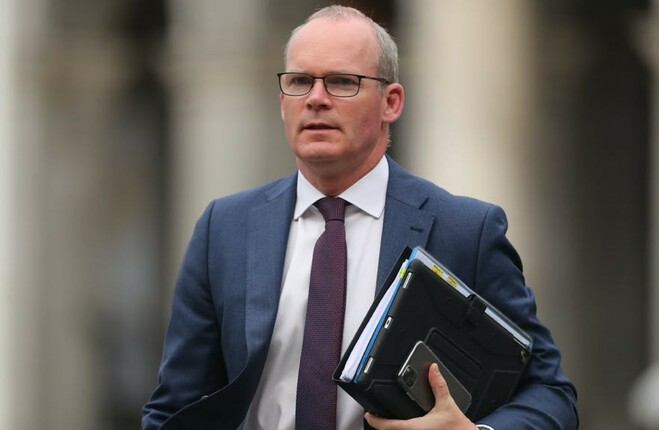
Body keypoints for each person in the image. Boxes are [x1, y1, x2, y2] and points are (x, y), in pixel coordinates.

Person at [142, 5, 578, 430]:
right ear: (282, 101)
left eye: (341, 82)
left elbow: (549, 393)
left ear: (391, 102)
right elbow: (175, 407)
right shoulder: (225, 228)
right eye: (299, 81)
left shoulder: (466, 231)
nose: (316, 99)